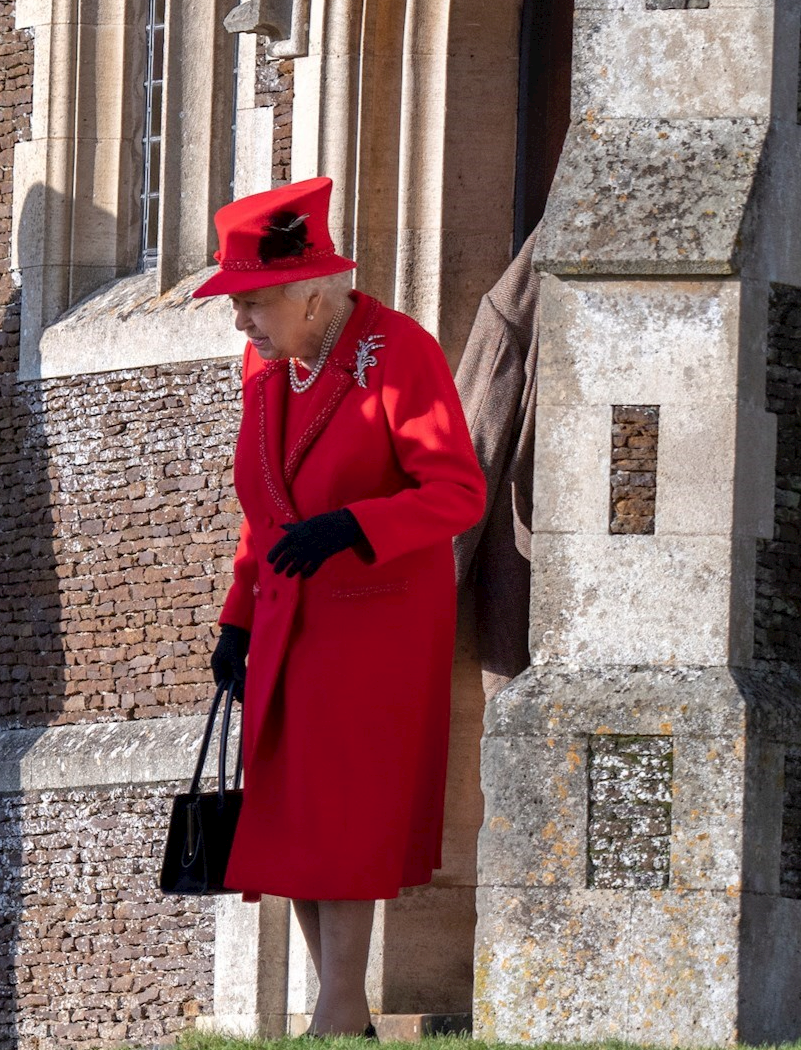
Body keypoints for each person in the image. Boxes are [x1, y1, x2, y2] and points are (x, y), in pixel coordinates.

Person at [196, 177, 484, 1037]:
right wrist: (236, 620)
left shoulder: (399, 352)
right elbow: (265, 515)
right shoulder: (267, 366)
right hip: (286, 618)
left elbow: (457, 492)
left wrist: (355, 526)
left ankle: (336, 1013)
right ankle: (342, 1015)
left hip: (375, 622)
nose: (240, 323)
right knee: (291, 821)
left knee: (344, 815)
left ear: (313, 295)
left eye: (252, 303)